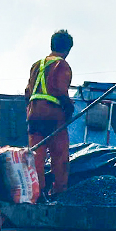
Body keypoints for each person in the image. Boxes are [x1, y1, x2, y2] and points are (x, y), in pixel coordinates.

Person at [26, 30, 74, 195]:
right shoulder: (61, 65)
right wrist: (69, 108)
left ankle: (36, 193)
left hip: (33, 115)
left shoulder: (36, 65)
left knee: (36, 156)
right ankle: (59, 192)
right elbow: (61, 91)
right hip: (53, 115)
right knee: (60, 155)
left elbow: (28, 92)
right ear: (68, 49)